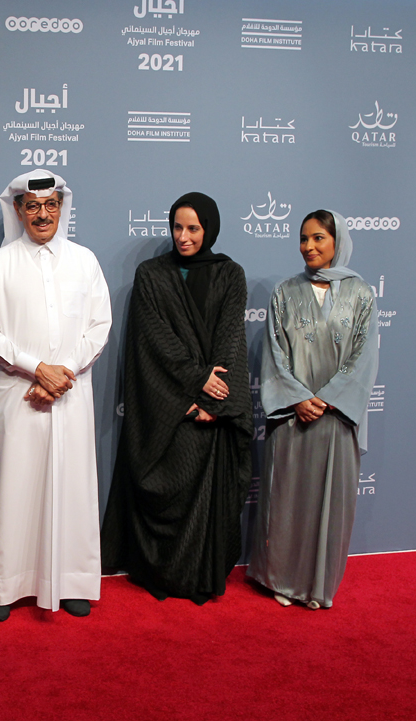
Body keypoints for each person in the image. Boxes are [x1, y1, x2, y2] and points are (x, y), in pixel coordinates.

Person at [101, 192, 252, 605]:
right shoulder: (151, 274)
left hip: (211, 412)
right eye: (177, 227)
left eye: (193, 228)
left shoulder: (230, 274)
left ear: (210, 229)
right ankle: (159, 572)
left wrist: (214, 402)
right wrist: (195, 383)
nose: (183, 237)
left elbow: (230, 340)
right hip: (170, 409)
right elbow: (152, 342)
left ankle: (199, 574)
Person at [0, 169, 112, 622]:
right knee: (14, 490)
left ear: (62, 208)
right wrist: (37, 369)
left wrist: (63, 373)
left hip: (69, 394)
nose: (42, 214)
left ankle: (71, 581)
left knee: (72, 490)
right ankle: (6, 586)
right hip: (18, 395)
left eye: (51, 205)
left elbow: (99, 326)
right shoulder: (0, 263)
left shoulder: (84, 261)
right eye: (32, 206)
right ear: (18, 210)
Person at [247, 210, 378, 609]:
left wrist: (329, 399)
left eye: (319, 238)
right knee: (286, 500)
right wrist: (298, 399)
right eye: (304, 238)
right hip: (293, 416)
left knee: (328, 505)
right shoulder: (285, 292)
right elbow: (275, 353)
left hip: (337, 420)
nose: (309, 247)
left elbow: (364, 357)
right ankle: (280, 581)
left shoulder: (361, 294)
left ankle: (317, 586)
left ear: (338, 241)